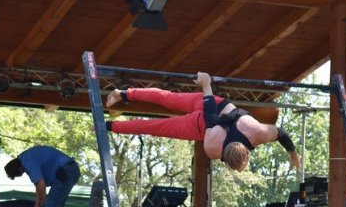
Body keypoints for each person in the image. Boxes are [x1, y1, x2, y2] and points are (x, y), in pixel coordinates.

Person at [106, 72, 300, 172]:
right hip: (207, 115)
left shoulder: (258, 134)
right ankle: (118, 106)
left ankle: (120, 100)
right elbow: (209, 112)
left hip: (208, 116)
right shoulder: (215, 148)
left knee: (165, 105)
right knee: (157, 122)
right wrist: (206, 84)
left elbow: (282, 133)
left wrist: (293, 154)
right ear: (247, 151)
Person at [4, 146, 79, 207]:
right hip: (69, 170)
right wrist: (37, 205)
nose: (19, 176)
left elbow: (41, 185)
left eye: (17, 174)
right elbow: (38, 187)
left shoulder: (28, 162)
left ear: (19, 168)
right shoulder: (25, 158)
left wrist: (41, 205)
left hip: (66, 170)